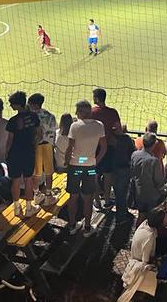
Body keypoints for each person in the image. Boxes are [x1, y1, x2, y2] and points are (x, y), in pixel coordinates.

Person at [64, 100, 106, 236]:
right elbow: (103, 148)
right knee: (88, 198)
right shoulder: (99, 125)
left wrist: (67, 162)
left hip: (75, 166)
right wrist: (95, 161)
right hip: (90, 167)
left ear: (81, 112)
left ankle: (72, 225)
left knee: (73, 196)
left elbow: (69, 148)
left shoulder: (75, 126)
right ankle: (87, 227)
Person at [4, 91, 41, 218]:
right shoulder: (34, 117)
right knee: (28, 179)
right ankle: (29, 208)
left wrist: (6, 153)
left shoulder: (13, 121)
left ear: (17, 105)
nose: (10, 106)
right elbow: (39, 133)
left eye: (11, 104)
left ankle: (16, 208)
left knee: (15, 180)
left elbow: (9, 140)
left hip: (14, 154)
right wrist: (34, 145)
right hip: (28, 152)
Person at [91, 88, 120, 209]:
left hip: (94, 148)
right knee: (108, 175)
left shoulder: (91, 112)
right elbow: (118, 129)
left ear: (97, 99)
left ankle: (97, 201)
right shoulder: (113, 112)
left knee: (94, 174)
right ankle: (107, 200)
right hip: (109, 148)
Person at [28, 93, 57, 206]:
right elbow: (54, 132)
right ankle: (48, 195)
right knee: (49, 172)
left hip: (35, 146)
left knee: (36, 173)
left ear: (34, 104)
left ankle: (37, 195)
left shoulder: (30, 117)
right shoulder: (50, 116)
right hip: (48, 145)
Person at [131, 132, 166, 223]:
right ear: (153, 145)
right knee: (152, 217)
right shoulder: (154, 161)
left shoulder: (135, 154)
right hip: (151, 195)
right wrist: (162, 190)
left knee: (141, 215)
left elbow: (132, 171)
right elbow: (158, 181)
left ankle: (138, 230)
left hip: (138, 191)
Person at [112, 123, 135, 223]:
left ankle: (122, 211)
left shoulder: (110, 138)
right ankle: (120, 217)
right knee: (122, 193)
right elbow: (132, 153)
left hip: (112, 169)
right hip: (123, 168)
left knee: (118, 192)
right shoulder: (126, 139)